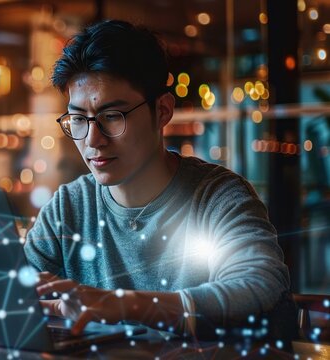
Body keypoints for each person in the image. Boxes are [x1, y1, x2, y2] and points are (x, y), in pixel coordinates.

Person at [24, 20, 296, 339]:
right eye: (79, 119)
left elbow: (258, 285)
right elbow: (10, 295)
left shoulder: (218, 196)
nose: (93, 140)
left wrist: (126, 305)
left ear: (163, 110)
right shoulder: (69, 207)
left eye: (113, 116)